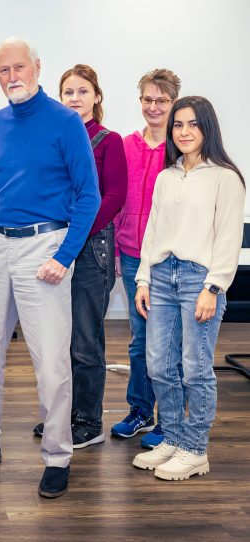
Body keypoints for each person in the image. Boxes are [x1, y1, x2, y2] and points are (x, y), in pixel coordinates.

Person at [0, 37, 100, 500]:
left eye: (18, 67)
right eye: (3, 70)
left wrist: (63, 256)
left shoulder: (66, 122)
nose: (12, 76)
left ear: (36, 67)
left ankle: (57, 455)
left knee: (50, 362)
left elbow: (89, 197)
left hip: (44, 248)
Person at [131, 96, 245, 480]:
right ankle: (174, 439)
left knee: (195, 369)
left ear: (207, 128)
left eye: (192, 124)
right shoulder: (167, 176)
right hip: (162, 275)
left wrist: (213, 288)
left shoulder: (225, 177)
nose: (183, 132)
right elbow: (153, 231)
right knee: (160, 365)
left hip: (200, 278)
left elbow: (228, 238)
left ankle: (196, 450)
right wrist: (143, 277)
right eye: (178, 125)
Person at [31, 65, 126, 448]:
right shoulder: (55, 136)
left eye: (82, 91)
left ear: (96, 97)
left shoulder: (109, 140)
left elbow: (115, 196)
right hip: (53, 244)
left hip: (91, 249)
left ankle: (88, 420)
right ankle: (62, 417)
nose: (74, 98)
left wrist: (76, 232)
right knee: (57, 339)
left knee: (85, 340)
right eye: (67, 92)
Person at [112, 69, 182, 449]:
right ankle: (140, 410)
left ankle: (171, 418)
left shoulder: (181, 146)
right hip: (132, 253)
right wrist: (122, 253)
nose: (153, 107)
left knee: (167, 342)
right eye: (148, 99)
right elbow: (119, 197)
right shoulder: (125, 145)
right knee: (139, 341)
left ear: (173, 103)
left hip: (170, 259)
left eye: (162, 100)